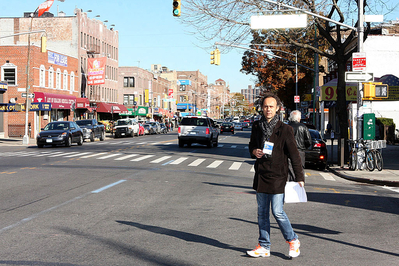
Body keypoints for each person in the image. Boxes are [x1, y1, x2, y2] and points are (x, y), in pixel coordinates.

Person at [247, 92, 305, 259]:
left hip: (278, 175)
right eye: (265, 106)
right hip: (262, 174)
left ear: (278, 109)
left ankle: (293, 239)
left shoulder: (285, 129)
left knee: (277, 211)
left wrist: (299, 177)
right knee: (262, 212)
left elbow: (294, 155)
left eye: (271, 106)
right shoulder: (257, 126)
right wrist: (254, 151)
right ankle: (264, 246)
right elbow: (251, 145)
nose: (268, 109)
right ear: (262, 108)